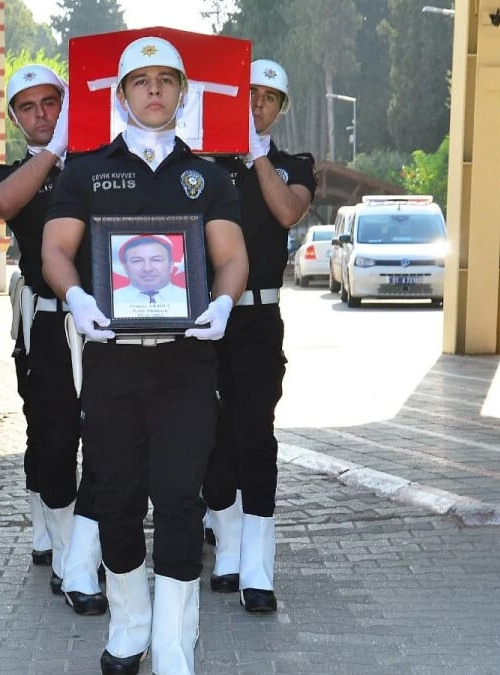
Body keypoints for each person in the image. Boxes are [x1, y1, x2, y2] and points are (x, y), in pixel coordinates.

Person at [42, 36, 248, 675]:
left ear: (183, 93)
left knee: (179, 496)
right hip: (112, 363)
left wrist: (222, 301)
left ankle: (175, 641)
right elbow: (55, 249)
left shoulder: (207, 176)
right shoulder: (85, 171)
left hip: (186, 362)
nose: (154, 90)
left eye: (166, 80)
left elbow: (232, 257)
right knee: (118, 494)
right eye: (141, 81)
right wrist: (74, 294)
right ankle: (129, 626)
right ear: (121, 93)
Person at [0, 63, 107, 616]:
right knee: (55, 441)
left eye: (51, 103)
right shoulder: (15, 170)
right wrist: (53, 152)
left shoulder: (98, 164)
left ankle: (88, 551)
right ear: (16, 118)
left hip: (102, 322)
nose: (41, 115)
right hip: (48, 322)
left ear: (67, 104)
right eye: (29, 107)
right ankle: (63, 550)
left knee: (107, 440)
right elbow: (3, 204)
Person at [201, 59, 316, 614]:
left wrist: (257, 157)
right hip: (205, 317)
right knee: (209, 434)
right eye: (249, 95)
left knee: (255, 435)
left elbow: (288, 212)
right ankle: (225, 546)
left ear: (281, 108)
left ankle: (258, 565)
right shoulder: (203, 164)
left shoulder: (293, 164)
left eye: (269, 98)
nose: (258, 105)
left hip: (258, 318)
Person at [111, 234, 189, 317]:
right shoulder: (111, 300)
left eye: (156, 260)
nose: (147, 269)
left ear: (171, 265)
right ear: (125, 267)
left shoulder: (189, 299)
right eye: (137, 261)